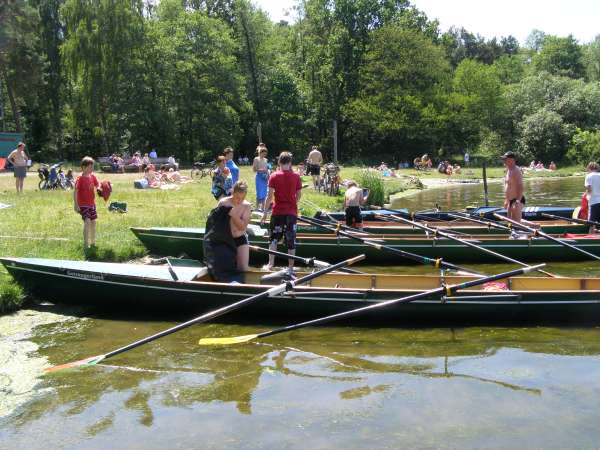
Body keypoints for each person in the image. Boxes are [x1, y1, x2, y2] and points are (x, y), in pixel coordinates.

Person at [261, 152, 302, 272]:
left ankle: (270, 264)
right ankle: (290, 268)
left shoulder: (273, 176)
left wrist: (264, 213)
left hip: (277, 212)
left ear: (279, 162)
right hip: (291, 213)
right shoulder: (296, 176)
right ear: (290, 163)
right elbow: (299, 195)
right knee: (291, 240)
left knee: (273, 238)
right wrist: (293, 203)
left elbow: (269, 197)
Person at [218, 181, 252, 271]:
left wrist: (233, 215)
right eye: (237, 197)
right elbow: (216, 223)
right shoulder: (223, 203)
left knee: (243, 268)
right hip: (225, 239)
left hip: (240, 238)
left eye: (242, 198)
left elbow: (242, 227)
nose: (239, 201)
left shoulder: (247, 206)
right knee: (224, 269)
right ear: (233, 192)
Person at [74, 157, 101, 254]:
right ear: (83, 167)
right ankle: (86, 244)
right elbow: (76, 192)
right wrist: (76, 205)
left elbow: (98, 185)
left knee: (94, 222)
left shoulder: (92, 177)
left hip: (92, 203)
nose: (91, 169)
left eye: (92, 167)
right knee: (87, 221)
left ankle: (93, 242)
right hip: (83, 204)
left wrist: (99, 189)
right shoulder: (80, 178)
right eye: (89, 167)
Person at [502, 151, 524, 225]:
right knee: (510, 222)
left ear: (512, 160)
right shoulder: (508, 169)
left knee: (516, 224)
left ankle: (519, 235)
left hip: (516, 200)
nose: (504, 161)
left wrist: (517, 201)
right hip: (510, 200)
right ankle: (535, 225)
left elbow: (520, 187)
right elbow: (507, 185)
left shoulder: (516, 171)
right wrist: (506, 200)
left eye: (505, 159)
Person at [253, 144, 269, 210]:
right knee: (259, 192)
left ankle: (262, 208)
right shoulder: (256, 159)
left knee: (265, 193)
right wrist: (262, 170)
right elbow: (254, 169)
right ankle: (257, 208)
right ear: (260, 153)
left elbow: (267, 169)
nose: (264, 155)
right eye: (263, 154)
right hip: (259, 177)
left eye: (265, 154)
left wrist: (268, 174)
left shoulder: (266, 160)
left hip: (265, 178)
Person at [585, 162, 600, 232]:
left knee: (591, 224)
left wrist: (586, 195)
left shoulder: (589, 176)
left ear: (589, 168)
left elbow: (589, 189)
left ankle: (590, 237)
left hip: (594, 202)